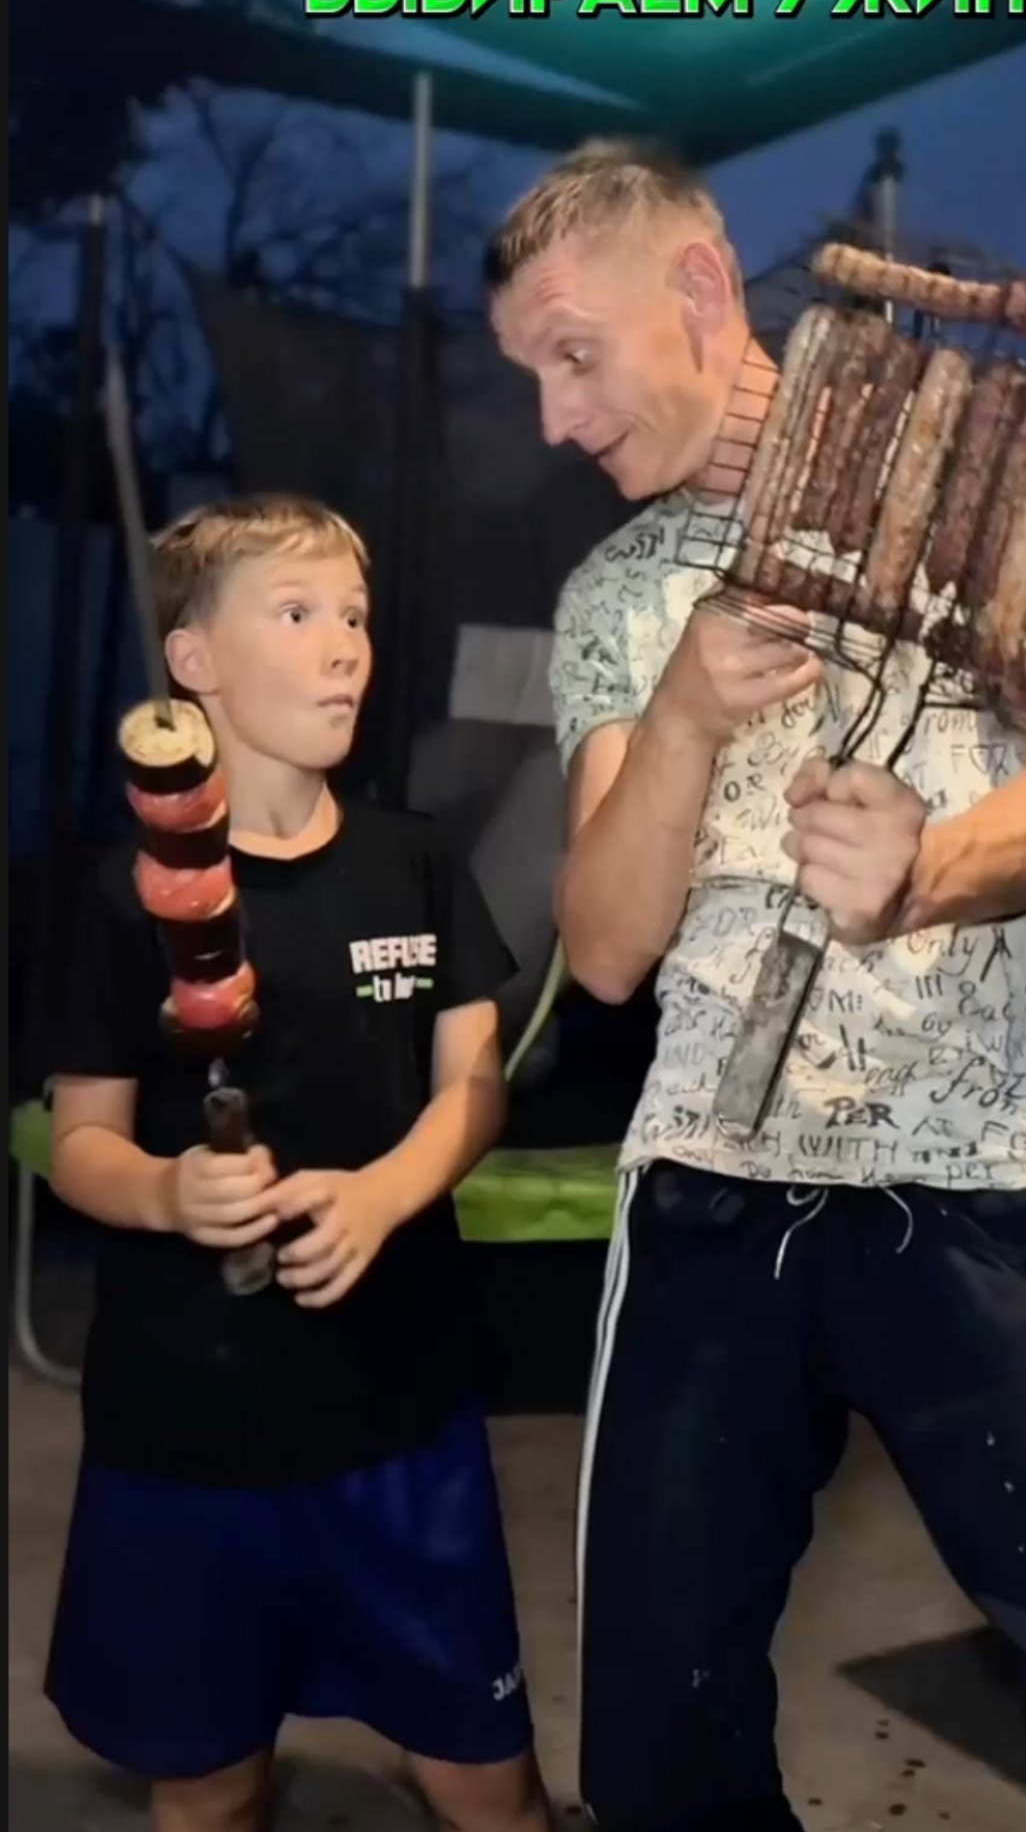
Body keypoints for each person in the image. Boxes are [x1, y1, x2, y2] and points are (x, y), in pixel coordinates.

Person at [487, 144, 1026, 1832]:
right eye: (532, 376)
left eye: (574, 355)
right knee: (656, 1759)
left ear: (701, 289)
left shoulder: (989, 487)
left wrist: (933, 867)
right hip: (711, 1189)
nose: (556, 418)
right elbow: (606, 947)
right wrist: (685, 715)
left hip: (992, 1180)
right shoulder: (618, 594)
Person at [44, 494, 554, 1832]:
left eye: (356, 618)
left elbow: (475, 1087)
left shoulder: (414, 862)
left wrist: (384, 1194)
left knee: (488, 1784)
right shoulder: (121, 895)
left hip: (400, 1416)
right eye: (297, 611)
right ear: (193, 662)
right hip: (185, 1430)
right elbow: (80, 1141)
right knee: (212, 1789)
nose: (344, 647)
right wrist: (167, 1189)